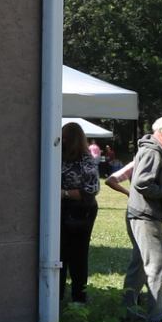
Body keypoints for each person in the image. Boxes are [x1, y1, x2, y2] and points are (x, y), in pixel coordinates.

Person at [120, 113, 162, 322]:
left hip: (139, 213)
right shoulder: (152, 151)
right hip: (145, 215)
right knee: (158, 264)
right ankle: (156, 318)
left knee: (139, 265)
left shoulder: (154, 149)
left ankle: (128, 311)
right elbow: (142, 183)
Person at [59, 122, 101, 305]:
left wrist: (64, 193)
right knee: (58, 254)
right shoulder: (58, 156)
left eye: (66, 137)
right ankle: (56, 296)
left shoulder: (86, 160)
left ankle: (79, 298)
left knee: (78, 254)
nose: (63, 141)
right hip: (61, 209)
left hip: (81, 211)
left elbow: (92, 189)